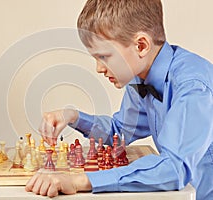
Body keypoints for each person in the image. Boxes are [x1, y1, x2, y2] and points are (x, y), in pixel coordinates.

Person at [25, 0, 213, 199]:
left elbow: (174, 168)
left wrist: (79, 181)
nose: (98, 68)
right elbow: (121, 132)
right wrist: (73, 117)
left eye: (104, 56)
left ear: (141, 45)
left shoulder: (193, 85)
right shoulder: (140, 77)